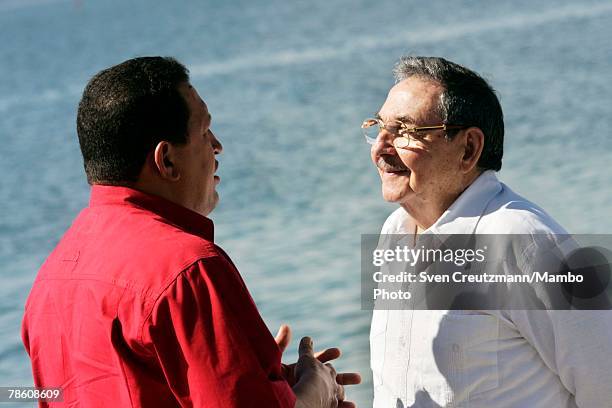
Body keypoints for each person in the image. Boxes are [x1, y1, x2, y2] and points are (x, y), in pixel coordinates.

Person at [22, 56, 359, 408]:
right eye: (204, 132)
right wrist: (318, 389)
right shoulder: (188, 268)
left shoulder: (49, 282)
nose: (217, 145)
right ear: (166, 160)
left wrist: (259, 376)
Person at [365, 56, 612, 407]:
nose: (380, 148)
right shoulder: (395, 232)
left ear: (468, 149)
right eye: (379, 127)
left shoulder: (526, 241)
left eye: (405, 131)